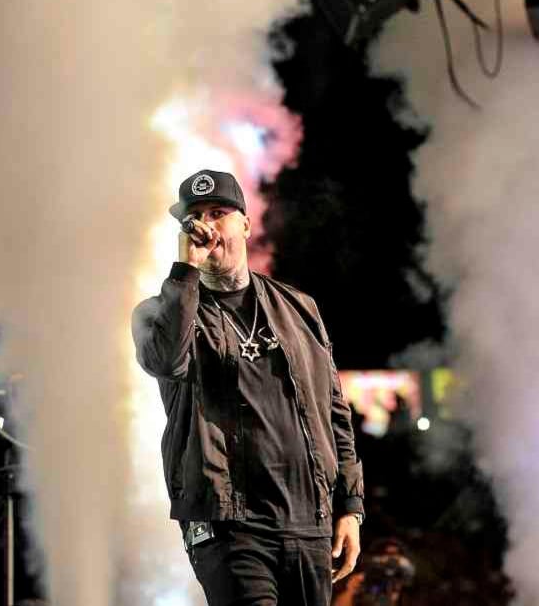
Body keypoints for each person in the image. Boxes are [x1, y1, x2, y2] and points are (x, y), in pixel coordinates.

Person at [132, 169, 365, 606]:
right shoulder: (161, 312)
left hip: (308, 521)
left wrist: (350, 506)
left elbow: (335, 411)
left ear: (245, 223)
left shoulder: (299, 308)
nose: (207, 225)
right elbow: (165, 360)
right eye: (194, 217)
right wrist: (185, 270)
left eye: (219, 213)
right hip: (228, 526)